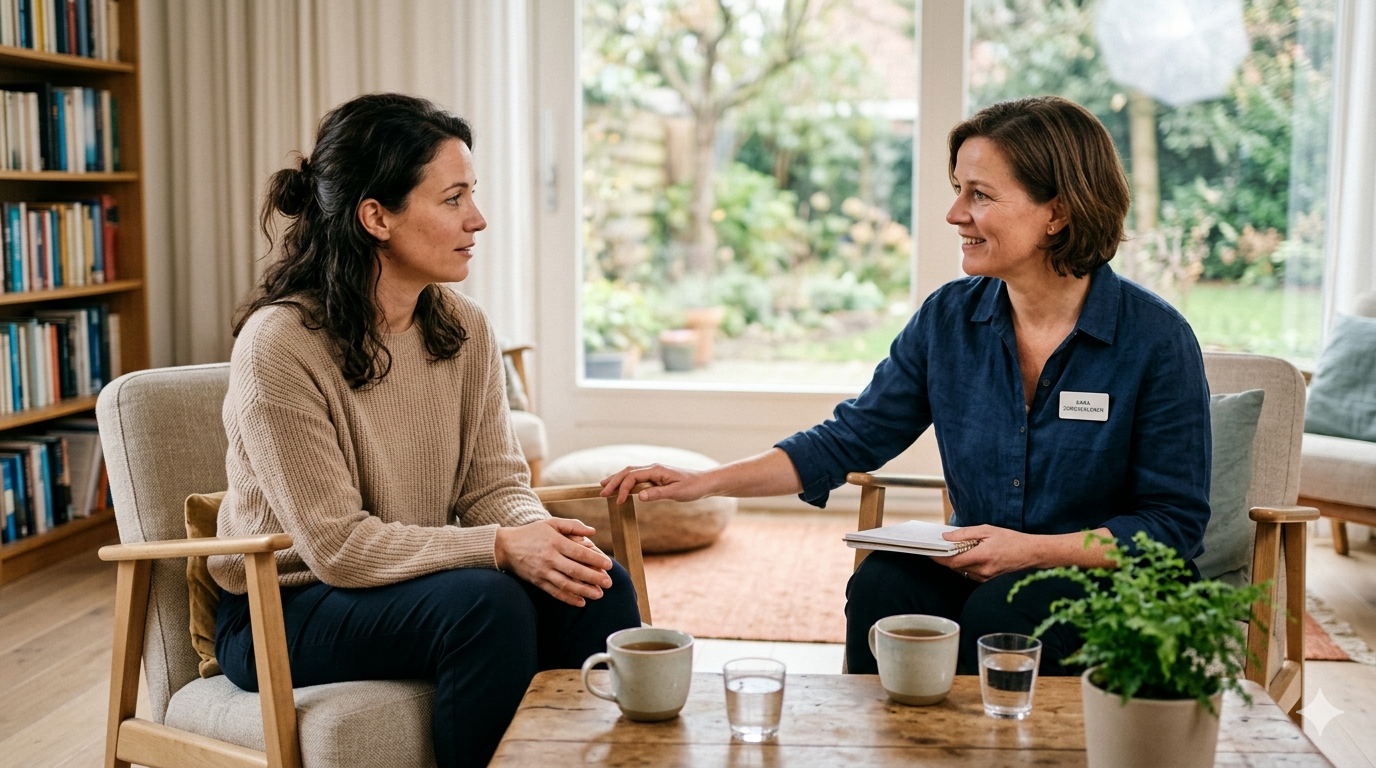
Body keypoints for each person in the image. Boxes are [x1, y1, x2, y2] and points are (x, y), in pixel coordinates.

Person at [601, 96, 1211, 677]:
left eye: (980, 195)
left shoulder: (1155, 340)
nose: (954, 214)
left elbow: (1172, 527)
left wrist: (1030, 551)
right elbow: (849, 440)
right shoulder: (949, 321)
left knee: (1004, 613)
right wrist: (703, 482)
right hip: (981, 562)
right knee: (884, 585)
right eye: (957, 191)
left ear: (1057, 212)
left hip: (1105, 581)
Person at [209, 93, 640, 768]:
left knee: (597, 583)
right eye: (453, 198)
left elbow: (496, 485)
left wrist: (541, 541)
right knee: (486, 603)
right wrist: (500, 547)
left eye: (473, 194)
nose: (478, 218)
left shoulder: (462, 328)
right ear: (376, 216)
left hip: (408, 585)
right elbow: (336, 548)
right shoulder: (280, 345)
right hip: (282, 607)